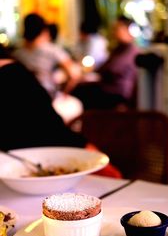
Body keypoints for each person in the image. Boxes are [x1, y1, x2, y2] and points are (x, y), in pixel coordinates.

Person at [0, 44, 121, 178]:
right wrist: (64, 92)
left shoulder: (19, 54)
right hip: (43, 151)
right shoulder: (16, 71)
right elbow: (74, 74)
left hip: (36, 157)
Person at [71, 16, 139, 110]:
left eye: (118, 28)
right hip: (109, 88)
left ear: (130, 30)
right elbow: (103, 68)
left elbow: (112, 69)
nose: (114, 32)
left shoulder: (131, 52)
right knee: (80, 88)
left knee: (80, 91)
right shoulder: (118, 49)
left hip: (118, 93)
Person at [13, 13, 81, 100]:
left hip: (23, 97)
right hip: (48, 96)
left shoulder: (17, 54)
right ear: (44, 30)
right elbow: (74, 74)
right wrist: (65, 94)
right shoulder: (52, 50)